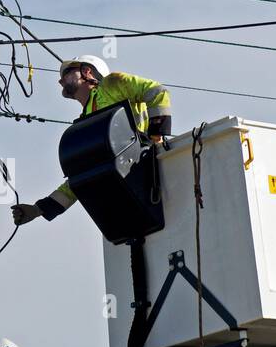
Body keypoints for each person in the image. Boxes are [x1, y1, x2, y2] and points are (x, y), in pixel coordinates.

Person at [11, 55, 172, 225]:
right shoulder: (86, 119)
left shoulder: (112, 84)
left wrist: (155, 136)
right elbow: (82, 175)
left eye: (66, 73)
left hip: (144, 166)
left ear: (87, 71)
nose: (60, 81)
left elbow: (156, 91)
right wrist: (39, 209)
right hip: (127, 183)